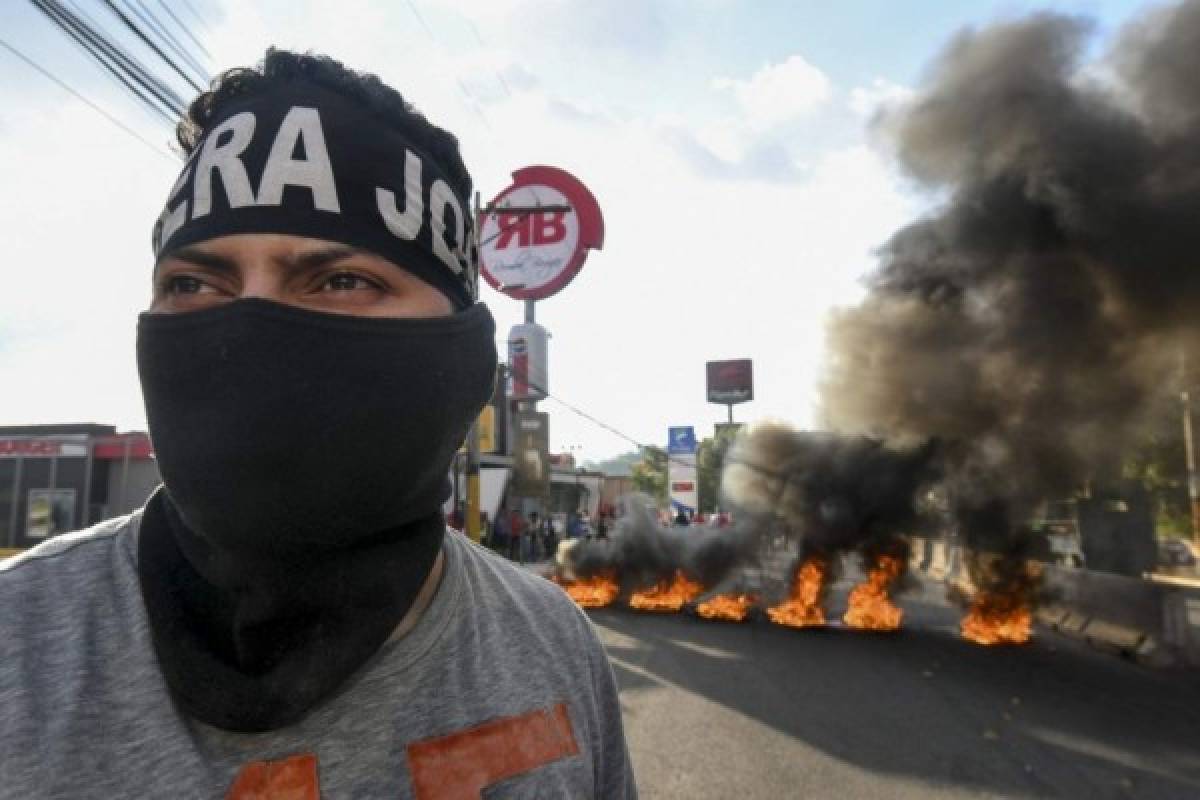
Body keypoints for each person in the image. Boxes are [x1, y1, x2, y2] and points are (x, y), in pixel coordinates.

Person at [0, 49, 635, 799]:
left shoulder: (553, 645)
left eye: (341, 281)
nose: (248, 333)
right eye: (195, 283)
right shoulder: (19, 648)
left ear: (463, 355)